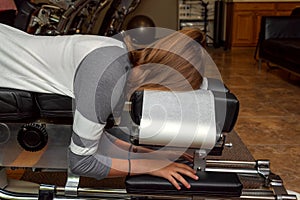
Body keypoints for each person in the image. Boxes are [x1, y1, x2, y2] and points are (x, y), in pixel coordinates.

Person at [0, 23, 208, 190]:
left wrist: (145, 153)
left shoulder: (116, 53)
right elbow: (81, 162)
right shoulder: (107, 76)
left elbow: (95, 136)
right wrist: (151, 165)